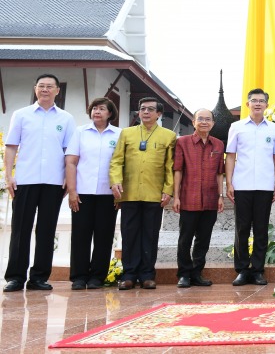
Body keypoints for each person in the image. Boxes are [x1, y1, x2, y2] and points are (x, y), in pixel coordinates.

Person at [3, 74, 76, 293]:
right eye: (41, 86)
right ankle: (15, 277)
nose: (45, 89)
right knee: (20, 230)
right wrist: (8, 176)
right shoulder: (22, 115)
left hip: (54, 182)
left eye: (49, 86)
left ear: (57, 91)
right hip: (25, 180)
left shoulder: (66, 119)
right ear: (35, 89)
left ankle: (39, 277)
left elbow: (70, 152)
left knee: (46, 230)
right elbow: (11, 146)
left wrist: (67, 179)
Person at [110, 97, 176, 290]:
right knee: (129, 235)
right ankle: (129, 274)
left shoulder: (168, 136)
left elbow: (170, 166)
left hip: (154, 193)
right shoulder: (127, 133)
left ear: (159, 114)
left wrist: (168, 189)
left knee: (150, 234)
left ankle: (147, 274)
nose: (146, 112)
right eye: (142, 109)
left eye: (150, 109)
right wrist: (115, 181)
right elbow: (116, 161)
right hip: (129, 192)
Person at [226, 88, 275, 286]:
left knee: (261, 229)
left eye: (261, 101)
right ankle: (242, 269)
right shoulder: (237, 127)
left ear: (267, 105)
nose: (257, 103)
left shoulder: (274, 129)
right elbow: (230, 156)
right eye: (254, 100)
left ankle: (258, 270)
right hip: (242, 185)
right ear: (248, 104)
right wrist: (229, 182)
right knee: (241, 229)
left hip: (265, 186)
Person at [65, 97, 121, 290]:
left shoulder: (119, 134)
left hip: (108, 194)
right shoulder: (80, 132)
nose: (97, 112)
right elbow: (71, 162)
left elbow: (122, 165)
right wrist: (72, 191)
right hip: (83, 193)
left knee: (104, 236)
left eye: (102, 109)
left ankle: (97, 276)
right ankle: (79, 276)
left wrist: (120, 194)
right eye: (94, 108)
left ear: (110, 113)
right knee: (80, 235)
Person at [172, 108, 225, 288]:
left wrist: (220, 196)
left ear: (213, 123)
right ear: (194, 122)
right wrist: (176, 196)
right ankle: (184, 274)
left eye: (208, 119)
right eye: (200, 119)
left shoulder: (218, 145)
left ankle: (197, 273)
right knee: (185, 238)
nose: (204, 122)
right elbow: (178, 170)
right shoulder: (183, 142)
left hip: (210, 199)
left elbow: (220, 173)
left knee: (204, 239)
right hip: (188, 197)